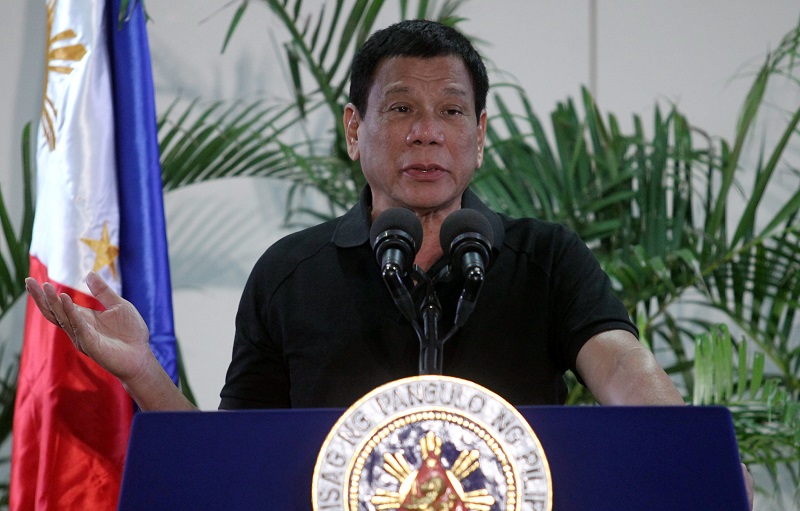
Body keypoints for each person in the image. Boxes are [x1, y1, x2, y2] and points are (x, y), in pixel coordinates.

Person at [26, 19, 753, 505]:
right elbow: (233, 469)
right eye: (401, 109)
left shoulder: (545, 256)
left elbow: (620, 363)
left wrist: (685, 445)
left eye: (453, 111)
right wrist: (144, 373)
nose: (428, 133)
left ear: (480, 134)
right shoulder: (291, 272)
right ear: (355, 129)